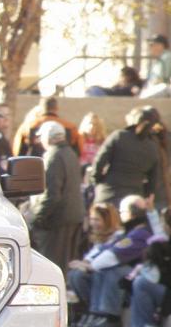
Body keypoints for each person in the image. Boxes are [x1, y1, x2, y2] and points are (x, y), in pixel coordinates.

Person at [66, 195, 152, 327]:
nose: (121, 215)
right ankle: (95, 312)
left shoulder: (141, 234)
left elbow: (115, 254)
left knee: (111, 271)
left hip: (138, 272)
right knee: (86, 273)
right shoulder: (129, 232)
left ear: (132, 214)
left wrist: (90, 266)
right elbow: (105, 248)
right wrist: (87, 263)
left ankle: (110, 316)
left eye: (123, 212)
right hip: (128, 269)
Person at [29, 121, 84, 269]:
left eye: (41, 137)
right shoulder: (70, 153)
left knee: (49, 266)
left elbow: (52, 195)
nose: (40, 141)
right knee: (63, 266)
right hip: (72, 216)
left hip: (57, 220)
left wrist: (36, 217)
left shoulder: (53, 156)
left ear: (49, 137)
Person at [91, 106, 167, 209]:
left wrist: (98, 182)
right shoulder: (152, 147)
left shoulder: (118, 136)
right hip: (133, 202)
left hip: (108, 194)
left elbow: (98, 163)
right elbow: (153, 181)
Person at [12, 97, 82, 158]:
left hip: (35, 167)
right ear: (57, 108)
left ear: (41, 108)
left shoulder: (27, 126)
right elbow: (78, 151)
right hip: (59, 165)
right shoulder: (70, 127)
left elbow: (17, 151)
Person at [140, 34, 171, 99]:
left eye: (152, 45)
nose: (150, 48)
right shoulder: (159, 59)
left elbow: (164, 79)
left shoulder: (167, 57)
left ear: (160, 45)